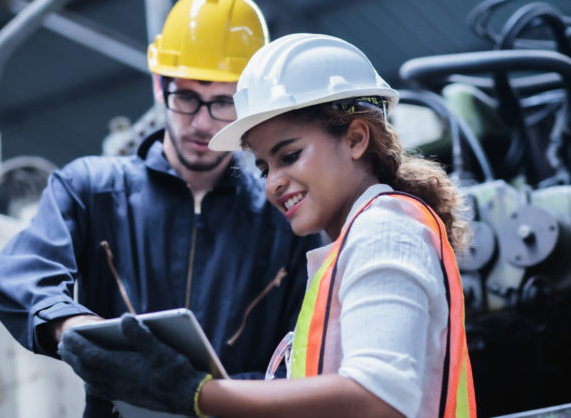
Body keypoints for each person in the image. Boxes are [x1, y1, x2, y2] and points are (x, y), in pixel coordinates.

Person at [59, 33, 478, 418]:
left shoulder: (386, 228)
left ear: (355, 139)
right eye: (264, 167)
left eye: (289, 155)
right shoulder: (346, 250)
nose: (274, 181)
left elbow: (379, 397)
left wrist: (196, 393)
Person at [0, 0, 322, 417]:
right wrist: (70, 326)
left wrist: (206, 393)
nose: (202, 124)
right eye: (186, 97)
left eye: (224, 102)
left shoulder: (285, 218)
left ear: (250, 104)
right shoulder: (90, 190)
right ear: (158, 84)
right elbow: (22, 275)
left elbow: (303, 361)